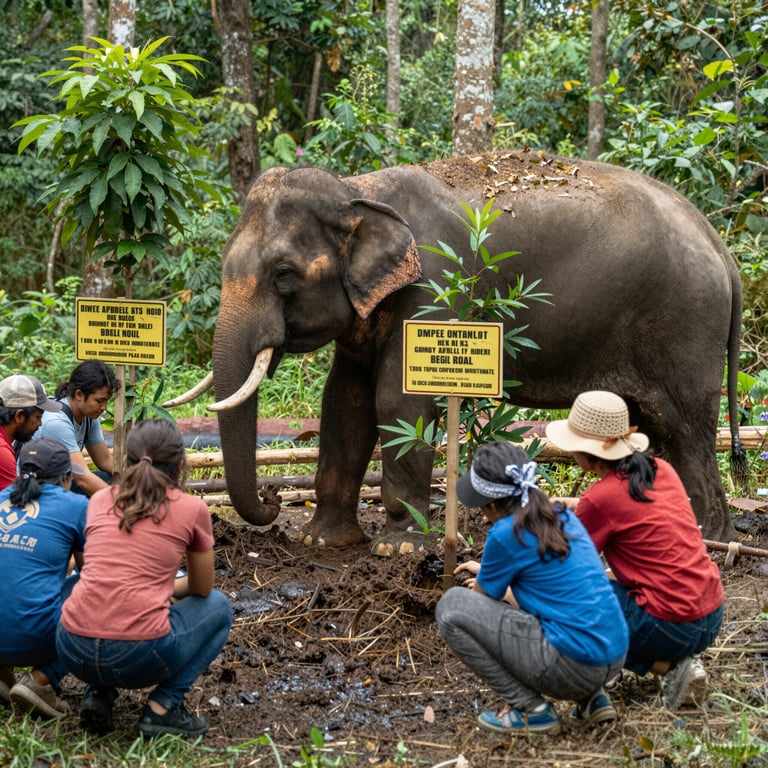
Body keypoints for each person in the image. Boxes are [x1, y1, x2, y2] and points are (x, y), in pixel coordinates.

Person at [545, 390, 725, 710]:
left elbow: (565, 568)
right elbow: (629, 511)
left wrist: (505, 582)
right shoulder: (659, 469)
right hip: (711, 613)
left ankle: (666, 668)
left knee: (570, 603)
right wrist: (569, 506)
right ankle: (678, 666)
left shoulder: (600, 499)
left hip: (670, 626)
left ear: (586, 455)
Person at [435, 442, 628, 735]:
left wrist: (486, 580)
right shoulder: (562, 515)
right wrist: (487, 571)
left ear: (491, 505)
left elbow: (479, 608)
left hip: (575, 665)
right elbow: (552, 587)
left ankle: (531, 710)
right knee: (566, 612)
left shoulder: (505, 533)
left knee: (451, 608)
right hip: (614, 653)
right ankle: (592, 699)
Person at [56, 418, 233, 737]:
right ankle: (162, 708)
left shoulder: (99, 500)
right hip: (138, 656)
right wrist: (160, 589)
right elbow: (202, 587)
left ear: (125, 461)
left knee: (76, 587)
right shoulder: (192, 509)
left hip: (72, 648)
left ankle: (97, 692)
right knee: (219, 608)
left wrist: (143, 588)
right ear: (180, 466)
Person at [1, 438, 88, 718]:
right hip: (34, 640)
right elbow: (90, 574)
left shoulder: (1, 498)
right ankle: (41, 680)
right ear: (65, 478)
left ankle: (3, 677)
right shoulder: (76, 506)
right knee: (93, 594)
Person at [37, 360, 120, 496]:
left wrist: (139, 481)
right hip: (37, 487)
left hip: (62, 481)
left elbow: (105, 460)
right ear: (79, 395)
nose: (104, 408)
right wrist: (124, 501)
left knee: (111, 478)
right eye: (99, 401)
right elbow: (83, 479)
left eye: (106, 401)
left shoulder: (89, 416)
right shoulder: (57, 423)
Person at [0, 374, 63, 490]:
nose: (40, 424)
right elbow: (10, 505)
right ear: (19, 416)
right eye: (38, 417)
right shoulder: (2, 453)